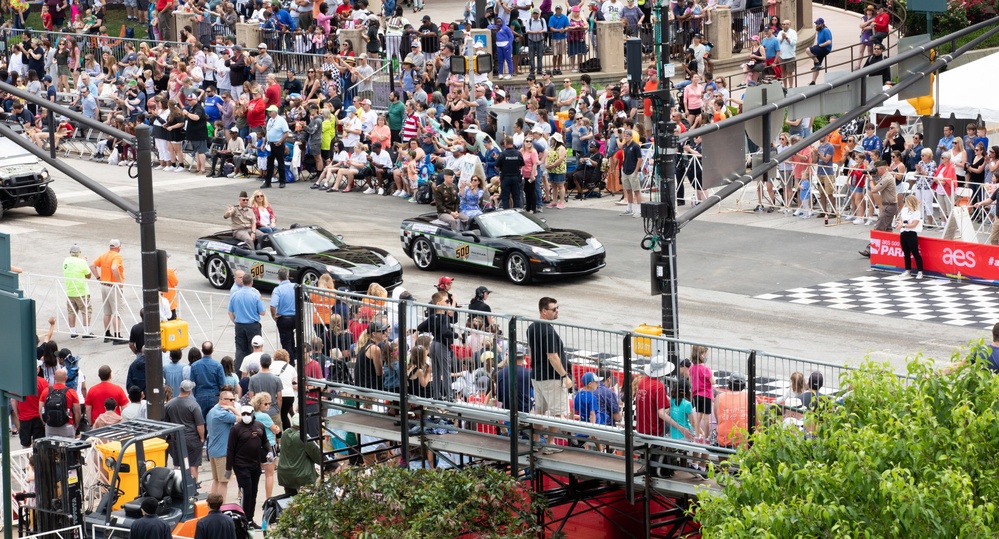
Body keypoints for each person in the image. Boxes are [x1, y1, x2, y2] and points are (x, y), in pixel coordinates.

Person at [527, 297, 572, 454]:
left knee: (539, 410)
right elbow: (552, 356)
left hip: (537, 375)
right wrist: (565, 375)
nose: (557, 311)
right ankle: (550, 443)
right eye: (554, 309)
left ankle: (536, 441)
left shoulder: (531, 327)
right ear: (544, 311)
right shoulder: (548, 331)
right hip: (551, 377)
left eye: (557, 308)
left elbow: (532, 353)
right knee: (558, 412)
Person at [226, 405, 271, 528]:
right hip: (241, 465)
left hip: (255, 464)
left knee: (254, 492)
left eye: (248, 414)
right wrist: (228, 469)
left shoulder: (259, 426)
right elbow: (230, 449)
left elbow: (265, 441)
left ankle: (250, 520)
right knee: (247, 492)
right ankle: (244, 521)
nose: (246, 416)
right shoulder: (236, 429)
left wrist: (270, 451)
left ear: (253, 414)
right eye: (244, 414)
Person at [163, 380, 205, 481]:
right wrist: (202, 438)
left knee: (177, 464)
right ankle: (193, 488)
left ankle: (177, 485)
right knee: (193, 465)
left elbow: (166, 423)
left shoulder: (170, 404)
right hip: (192, 439)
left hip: (176, 439)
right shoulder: (193, 405)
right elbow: (200, 425)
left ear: (180, 388)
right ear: (190, 391)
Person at [276, 412, 323, 495]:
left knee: (289, 499)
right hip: (302, 476)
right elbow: (317, 453)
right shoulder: (303, 437)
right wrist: (330, 464)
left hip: (285, 474)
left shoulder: (285, 433)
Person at [205, 386, 239, 498]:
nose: (233, 402)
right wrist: (234, 409)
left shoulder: (212, 411)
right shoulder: (223, 414)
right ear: (223, 400)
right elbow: (241, 418)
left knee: (216, 480)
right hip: (223, 452)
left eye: (234, 399)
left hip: (213, 450)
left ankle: (212, 504)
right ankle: (220, 506)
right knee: (224, 482)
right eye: (231, 400)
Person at [90, 238, 126, 343]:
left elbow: (92, 266)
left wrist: (98, 277)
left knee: (107, 312)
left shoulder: (104, 255)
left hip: (104, 286)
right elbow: (114, 268)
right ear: (118, 247)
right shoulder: (117, 256)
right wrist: (119, 282)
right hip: (113, 286)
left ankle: (107, 334)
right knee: (117, 312)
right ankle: (117, 336)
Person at [859, 160, 897, 257]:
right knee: (888, 230)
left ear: (881, 168)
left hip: (889, 205)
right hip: (889, 205)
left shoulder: (887, 178)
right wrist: (874, 177)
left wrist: (870, 180)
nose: (877, 171)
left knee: (879, 228)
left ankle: (870, 249)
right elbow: (876, 186)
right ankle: (889, 250)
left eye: (877, 169)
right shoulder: (885, 177)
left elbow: (874, 189)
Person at [229, 274, 265, 371]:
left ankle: (239, 372)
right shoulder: (255, 295)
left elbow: (230, 311)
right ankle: (256, 371)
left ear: (242, 282)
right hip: (252, 326)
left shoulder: (235, 295)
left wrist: (235, 322)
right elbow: (263, 312)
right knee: (255, 349)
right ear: (251, 282)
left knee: (240, 350)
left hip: (240, 325)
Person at [63, 244, 94, 339]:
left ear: (70, 253)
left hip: (70, 291)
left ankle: (73, 332)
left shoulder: (66, 261)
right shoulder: (82, 262)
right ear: (79, 253)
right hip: (81, 291)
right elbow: (89, 275)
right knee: (86, 311)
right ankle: (86, 332)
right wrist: (83, 262)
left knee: (71, 312)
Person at [39, 369, 81, 438]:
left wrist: (45, 422)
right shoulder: (71, 392)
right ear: (66, 378)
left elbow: (40, 409)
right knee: (68, 447)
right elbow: (77, 410)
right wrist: (76, 425)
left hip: (50, 426)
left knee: (51, 447)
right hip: (67, 425)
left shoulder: (46, 391)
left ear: (54, 377)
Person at [190, 341, 226, 420]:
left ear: (202, 351)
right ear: (212, 350)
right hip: (214, 395)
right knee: (214, 420)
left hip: (200, 395)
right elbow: (222, 384)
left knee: (201, 420)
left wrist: (197, 394)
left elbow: (192, 384)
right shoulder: (218, 365)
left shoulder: (194, 365)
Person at [715, 375, 750, 449]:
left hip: (723, 440)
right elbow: (757, 421)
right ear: (744, 386)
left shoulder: (719, 397)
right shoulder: (750, 398)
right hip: (744, 440)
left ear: (729, 384)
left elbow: (718, 420)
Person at [270, 268, 297, 359]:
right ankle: (294, 356)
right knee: (292, 338)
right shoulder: (295, 286)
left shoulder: (278, 290)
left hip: (284, 318)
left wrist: (274, 315)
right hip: (296, 317)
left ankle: (290, 361)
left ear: (278, 278)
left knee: (286, 342)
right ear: (288, 276)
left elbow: (273, 305)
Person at [896, 195, 924, 279]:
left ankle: (920, 271)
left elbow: (914, 224)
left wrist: (903, 225)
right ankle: (907, 270)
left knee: (915, 253)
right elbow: (900, 221)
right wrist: (900, 225)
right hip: (903, 233)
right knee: (906, 253)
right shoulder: (904, 210)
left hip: (911, 234)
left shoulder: (917, 212)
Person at [262, 105, 290, 189]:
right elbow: (268, 132)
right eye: (268, 111)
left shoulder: (281, 120)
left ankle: (282, 181)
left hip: (278, 144)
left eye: (270, 111)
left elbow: (286, 133)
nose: (269, 113)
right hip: (270, 144)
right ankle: (268, 182)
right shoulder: (270, 120)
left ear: (275, 112)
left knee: (280, 163)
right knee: (269, 164)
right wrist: (264, 142)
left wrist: (280, 141)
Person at [807, 18, 832, 85]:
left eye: (818, 24)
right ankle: (813, 81)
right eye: (816, 24)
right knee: (816, 66)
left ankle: (817, 63)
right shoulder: (819, 31)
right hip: (820, 48)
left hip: (825, 48)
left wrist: (821, 45)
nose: (817, 25)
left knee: (808, 50)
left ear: (822, 24)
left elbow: (829, 41)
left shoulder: (826, 30)